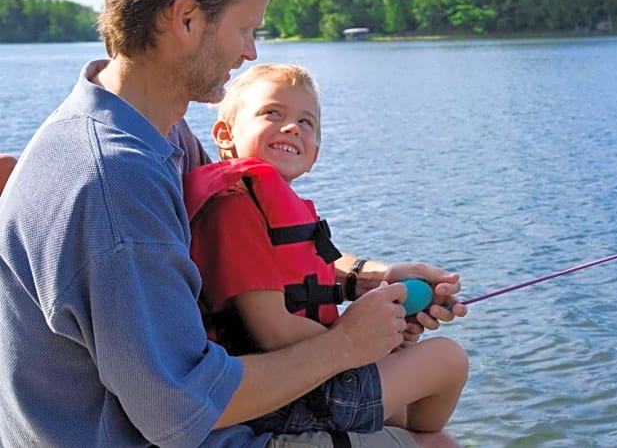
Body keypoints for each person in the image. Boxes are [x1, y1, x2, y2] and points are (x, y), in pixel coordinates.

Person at [0, 0, 466, 448]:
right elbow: (179, 411)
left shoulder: (157, 133)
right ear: (187, 19)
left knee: (407, 410)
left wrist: (363, 279)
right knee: (437, 444)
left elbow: (260, 248)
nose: (251, 51)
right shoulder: (113, 184)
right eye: (245, 28)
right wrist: (349, 344)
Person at [186, 63, 468, 437]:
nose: (292, 127)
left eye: (307, 122)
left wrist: (385, 325)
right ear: (225, 134)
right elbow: (272, 331)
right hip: (282, 397)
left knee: (412, 399)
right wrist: (364, 344)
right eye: (273, 112)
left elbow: (309, 283)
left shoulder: (264, 205)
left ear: (315, 152)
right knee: (447, 359)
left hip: (307, 381)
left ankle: (417, 431)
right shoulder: (233, 210)